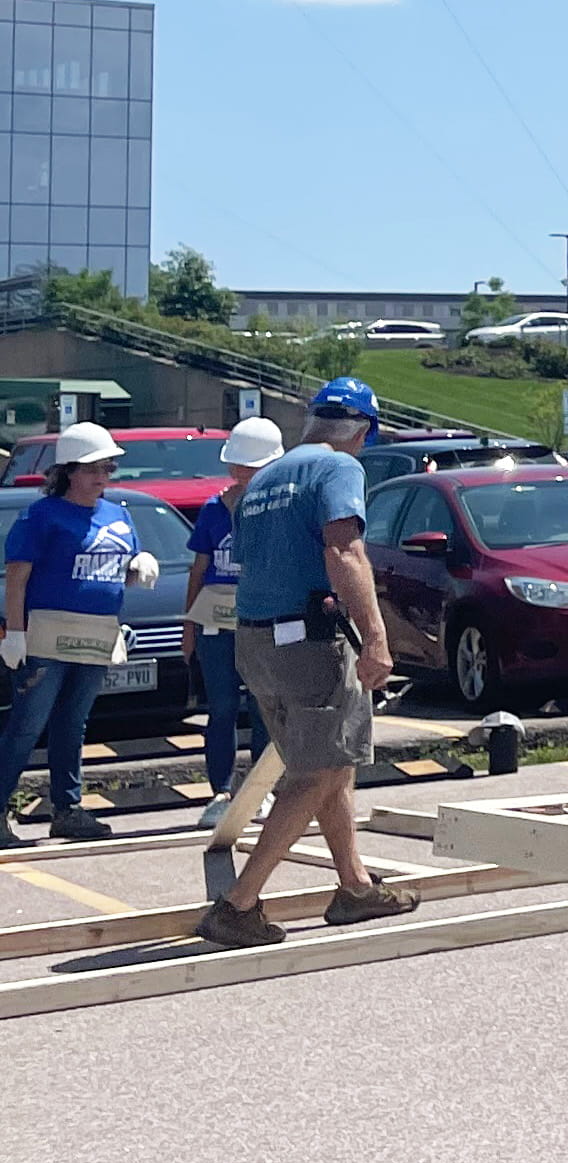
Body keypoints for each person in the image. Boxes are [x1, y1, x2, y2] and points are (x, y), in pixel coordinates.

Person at [198, 379, 416, 946]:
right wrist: (375, 637)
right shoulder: (339, 469)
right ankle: (238, 906)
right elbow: (343, 549)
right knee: (317, 771)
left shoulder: (265, 477)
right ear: (364, 431)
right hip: (309, 643)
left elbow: (256, 560)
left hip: (256, 641)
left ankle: (355, 887)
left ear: (312, 419)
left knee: (331, 765)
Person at [0, 421, 160, 843]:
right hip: (47, 636)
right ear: (69, 470)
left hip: (96, 635)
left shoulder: (118, 514)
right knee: (26, 725)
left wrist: (136, 568)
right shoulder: (42, 515)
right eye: (93, 469)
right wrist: (15, 632)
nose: (102, 478)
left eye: (107, 469)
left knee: (74, 724)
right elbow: (17, 577)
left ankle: (67, 809)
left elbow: (109, 572)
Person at [181, 416, 287, 823]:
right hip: (215, 622)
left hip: (263, 618)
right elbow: (198, 569)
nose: (243, 474)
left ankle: (260, 790)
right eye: (238, 466)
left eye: (252, 467)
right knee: (222, 706)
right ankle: (221, 792)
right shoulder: (212, 510)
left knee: (265, 706)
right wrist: (187, 627)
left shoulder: (279, 511)